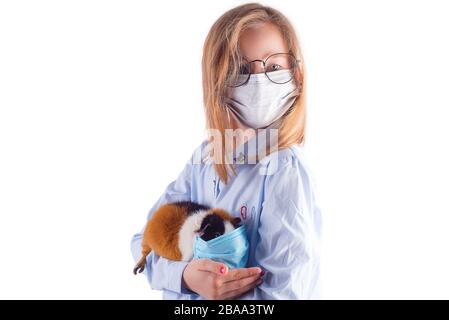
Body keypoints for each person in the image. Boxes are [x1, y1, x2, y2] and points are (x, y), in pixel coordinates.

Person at [131, 2, 322, 300]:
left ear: (296, 77)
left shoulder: (283, 170)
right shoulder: (205, 158)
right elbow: (143, 243)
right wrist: (185, 277)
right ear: (218, 81)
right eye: (242, 69)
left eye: (273, 67)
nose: (259, 80)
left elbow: (284, 294)